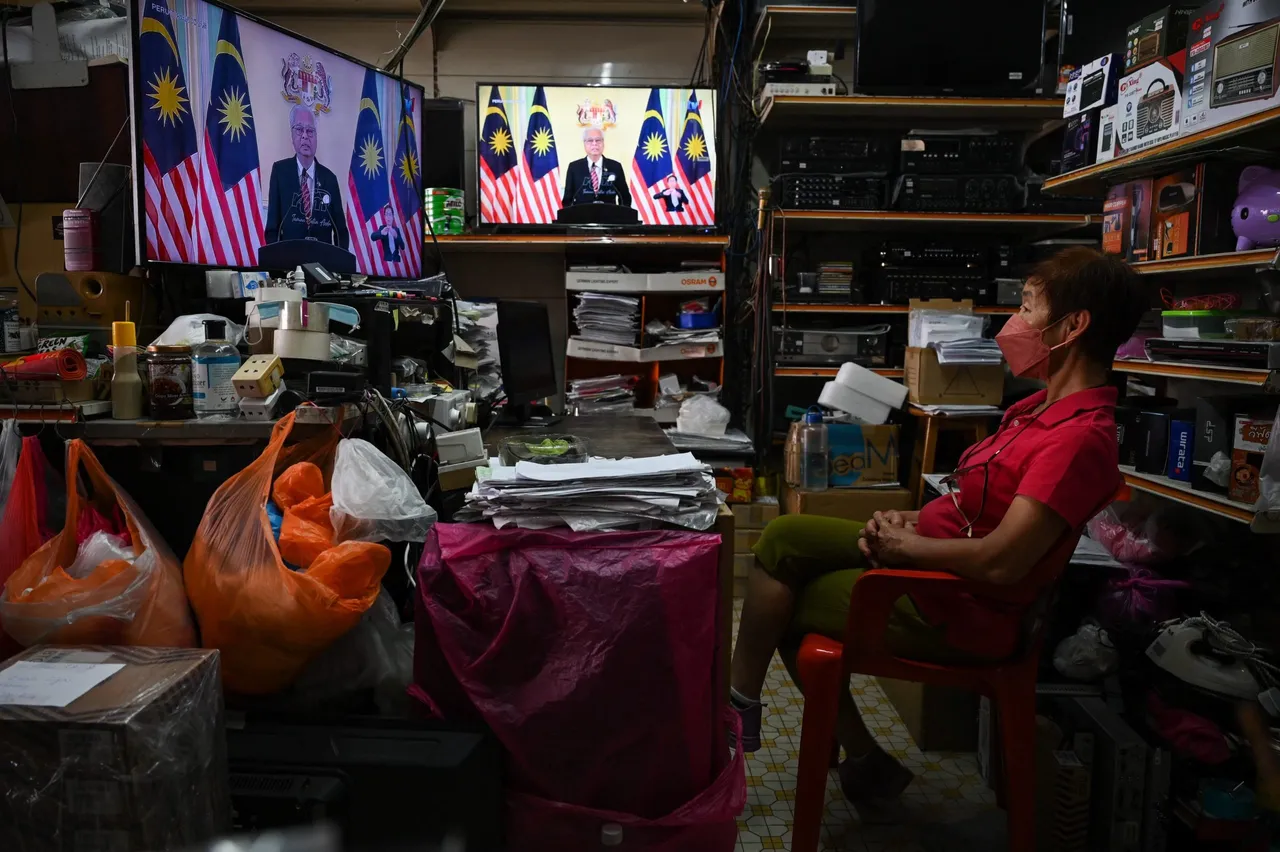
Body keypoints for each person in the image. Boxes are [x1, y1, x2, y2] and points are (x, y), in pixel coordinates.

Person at [729, 247, 1149, 803]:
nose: (1013, 324)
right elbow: (978, 505)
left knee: (790, 606)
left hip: (957, 606)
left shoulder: (1077, 440)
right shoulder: (1034, 410)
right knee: (782, 536)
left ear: (1072, 326)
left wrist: (906, 550)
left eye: (1026, 309)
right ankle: (757, 714)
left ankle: (770, 730)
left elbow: (1003, 559)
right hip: (935, 564)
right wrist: (911, 519)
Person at [263, 105, 349, 249]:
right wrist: (277, 264)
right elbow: (272, 228)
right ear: (292, 135)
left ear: (316, 137)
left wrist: (339, 267)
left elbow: (341, 231)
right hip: (289, 264)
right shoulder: (280, 172)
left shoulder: (330, 179)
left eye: (310, 131)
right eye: (299, 129)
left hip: (323, 264)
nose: (304, 136)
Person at [561, 127, 632, 207]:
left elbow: (625, 197)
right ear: (584, 143)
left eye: (598, 140)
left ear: (603, 143)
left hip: (609, 217)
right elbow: (567, 200)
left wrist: (621, 218)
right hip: (581, 217)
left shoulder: (615, 167)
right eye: (590, 140)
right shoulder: (574, 168)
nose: (594, 143)